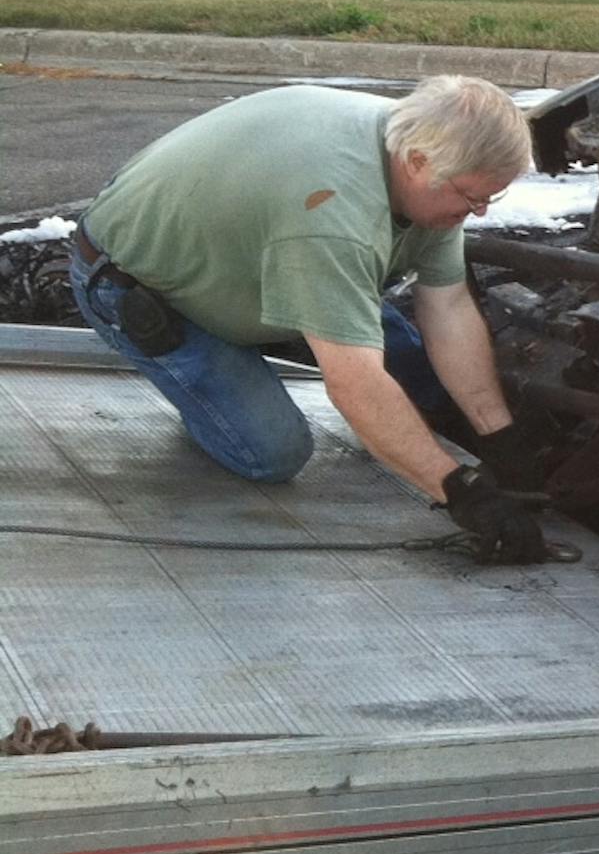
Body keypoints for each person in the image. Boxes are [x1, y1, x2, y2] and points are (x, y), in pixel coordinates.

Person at [68, 75, 549, 563]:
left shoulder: (426, 152)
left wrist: (499, 435)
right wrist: (461, 492)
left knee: (426, 389)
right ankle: (215, 369)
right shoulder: (333, 216)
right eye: (472, 199)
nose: (481, 212)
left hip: (257, 252)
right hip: (137, 284)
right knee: (273, 453)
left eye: (491, 197)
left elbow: (447, 307)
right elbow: (354, 385)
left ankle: (275, 318)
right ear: (419, 163)